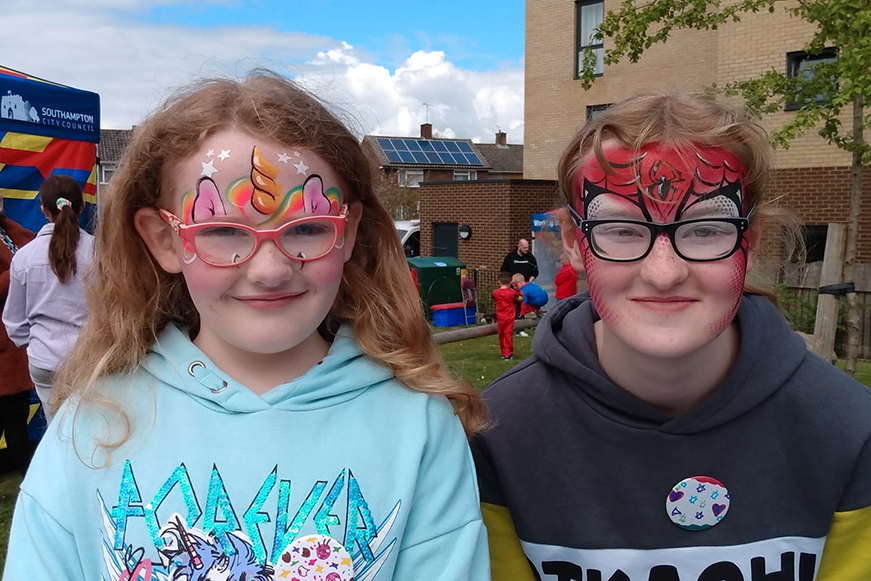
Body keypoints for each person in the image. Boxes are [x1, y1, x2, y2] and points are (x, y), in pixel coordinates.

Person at [3, 71, 490, 581]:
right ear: (165, 241)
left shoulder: (418, 428)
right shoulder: (90, 427)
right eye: (220, 231)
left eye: (306, 227)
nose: (270, 269)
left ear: (347, 234)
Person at [471, 92, 871, 580]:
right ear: (575, 244)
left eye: (706, 230)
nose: (663, 273)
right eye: (620, 229)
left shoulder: (851, 431)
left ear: (752, 239)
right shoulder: (496, 436)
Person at [3, 175, 95, 423]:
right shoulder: (101, 253)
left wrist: (34, 344)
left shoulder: (24, 257)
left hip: (44, 362)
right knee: (90, 429)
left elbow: (13, 321)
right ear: (82, 206)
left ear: (44, 210)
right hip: (90, 360)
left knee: (57, 431)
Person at [0, 194, 35, 476]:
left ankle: (24, 472)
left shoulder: (8, 230)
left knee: (15, 414)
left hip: (15, 342)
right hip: (4, 341)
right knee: (10, 415)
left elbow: (31, 244)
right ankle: (23, 472)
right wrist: (18, 268)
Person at [493, 272, 520, 360]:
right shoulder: (513, 293)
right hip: (509, 316)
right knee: (508, 334)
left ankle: (503, 351)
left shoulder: (495, 293)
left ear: (499, 282)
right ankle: (508, 353)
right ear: (510, 282)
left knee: (501, 334)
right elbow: (520, 299)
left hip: (500, 316)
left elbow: (494, 298)